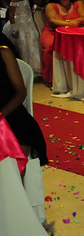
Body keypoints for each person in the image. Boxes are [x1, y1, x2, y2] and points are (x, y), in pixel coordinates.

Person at [0, 44, 49, 175]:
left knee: (17, 146)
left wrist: (1, 115)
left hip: (10, 109)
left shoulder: (4, 53)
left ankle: (15, 190)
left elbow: (21, 92)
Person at [39, 0, 84, 87]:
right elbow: (53, 20)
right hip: (52, 32)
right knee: (50, 46)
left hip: (74, 33)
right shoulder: (51, 5)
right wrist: (71, 22)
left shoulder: (78, 3)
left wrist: (67, 23)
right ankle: (52, 79)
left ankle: (75, 78)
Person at [2, 0, 42, 78]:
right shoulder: (14, 0)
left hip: (30, 24)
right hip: (21, 25)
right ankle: (28, 69)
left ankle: (37, 69)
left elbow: (29, 9)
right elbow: (11, 15)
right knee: (25, 47)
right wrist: (14, 29)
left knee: (34, 46)